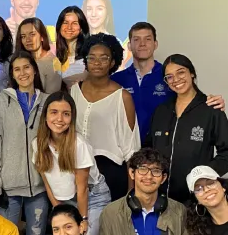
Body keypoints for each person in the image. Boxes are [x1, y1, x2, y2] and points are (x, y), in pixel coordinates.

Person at [0, 51, 49, 235]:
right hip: (7, 187)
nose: (23, 73)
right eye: (17, 69)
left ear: (34, 70)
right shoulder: (2, 101)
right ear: (12, 74)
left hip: (39, 186)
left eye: (26, 67)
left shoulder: (47, 101)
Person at [112, 22, 225, 142]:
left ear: (155, 44)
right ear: (129, 46)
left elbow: (190, 98)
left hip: (161, 147)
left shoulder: (169, 76)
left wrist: (211, 102)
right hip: (124, 148)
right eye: (136, 39)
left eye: (148, 39)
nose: (142, 44)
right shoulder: (116, 79)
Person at [33, 91, 111, 235]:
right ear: (45, 116)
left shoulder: (79, 144)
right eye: (54, 112)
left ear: (72, 118)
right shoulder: (37, 144)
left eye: (66, 114)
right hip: (65, 198)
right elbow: (47, 181)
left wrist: (83, 220)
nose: (59, 119)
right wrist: (58, 209)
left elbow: (82, 189)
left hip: (92, 196)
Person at [148, 54, 228, 204]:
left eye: (181, 72)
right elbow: (149, 149)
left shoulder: (211, 110)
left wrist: (203, 175)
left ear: (192, 73)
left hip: (195, 198)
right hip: (160, 198)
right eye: (169, 77)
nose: (176, 79)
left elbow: (226, 153)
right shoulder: (161, 111)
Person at [70, 33, 140, 201]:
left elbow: (131, 148)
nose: (97, 63)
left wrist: (131, 191)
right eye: (92, 58)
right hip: (77, 168)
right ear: (85, 61)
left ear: (112, 62)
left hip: (110, 172)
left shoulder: (122, 97)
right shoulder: (74, 91)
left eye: (103, 58)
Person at [15, 18, 61, 94]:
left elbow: (52, 97)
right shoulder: (17, 61)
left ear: (42, 36)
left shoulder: (53, 63)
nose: (28, 40)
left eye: (32, 34)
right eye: (23, 36)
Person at [53, 6, 89, 89]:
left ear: (81, 28)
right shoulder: (55, 56)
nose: (69, 27)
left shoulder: (89, 54)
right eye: (65, 22)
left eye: (74, 23)